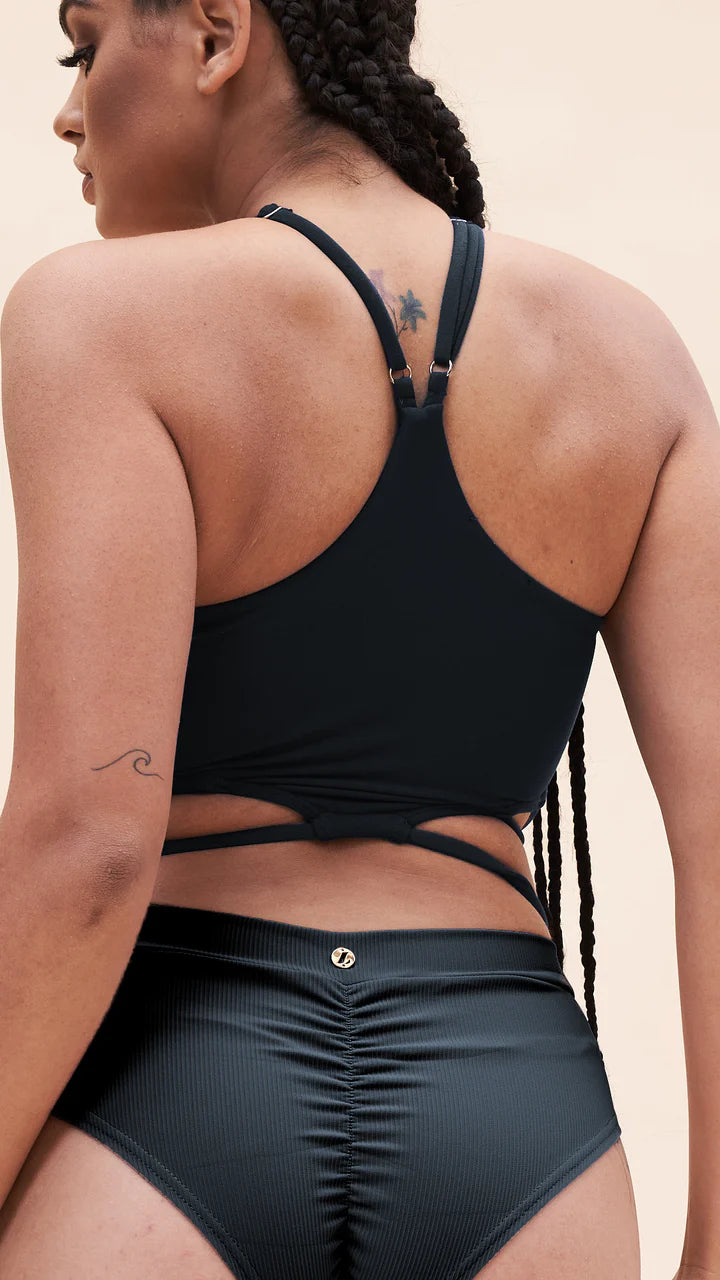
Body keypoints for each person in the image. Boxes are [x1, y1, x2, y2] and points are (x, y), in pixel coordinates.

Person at [0, 0, 717, 1276]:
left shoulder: (97, 316)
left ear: (218, 33)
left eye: (85, 44)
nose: (68, 110)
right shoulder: (637, 357)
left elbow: (87, 844)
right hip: (516, 1114)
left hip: (173, 1075)